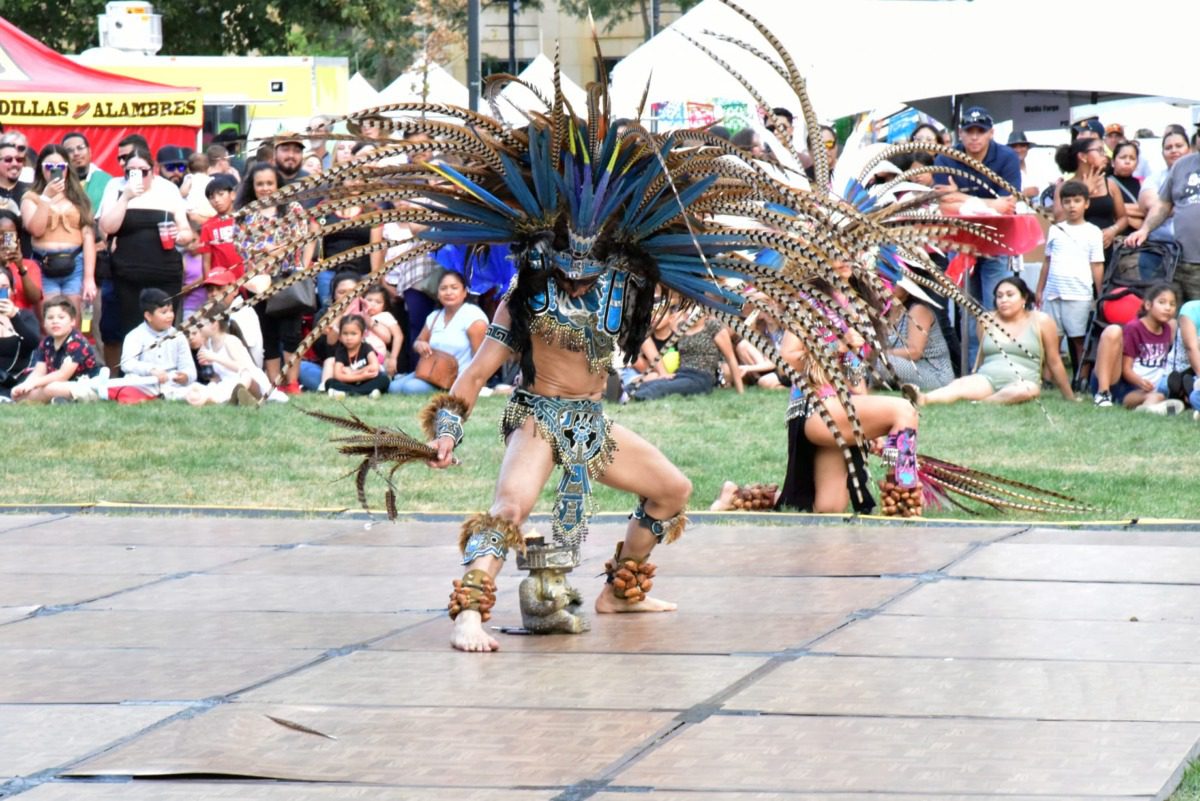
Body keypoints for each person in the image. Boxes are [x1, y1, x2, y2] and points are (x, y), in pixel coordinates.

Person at [931, 106, 1021, 365]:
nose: (974, 137)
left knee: (999, 303)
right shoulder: (946, 156)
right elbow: (944, 202)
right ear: (960, 133)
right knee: (968, 310)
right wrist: (990, 203)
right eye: (969, 131)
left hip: (995, 237)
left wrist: (961, 197)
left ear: (991, 133)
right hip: (960, 242)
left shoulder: (1006, 157)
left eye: (980, 131)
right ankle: (972, 370)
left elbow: (1010, 204)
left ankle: (1000, 366)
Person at [915, 276, 1075, 405]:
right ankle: (923, 398)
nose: (1003, 300)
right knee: (960, 385)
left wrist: (1069, 397)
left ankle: (984, 402)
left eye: (1010, 295)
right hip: (988, 378)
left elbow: (1054, 361)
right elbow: (982, 355)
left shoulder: (1041, 321)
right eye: (999, 296)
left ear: (1024, 298)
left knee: (1028, 390)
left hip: (1022, 382)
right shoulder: (986, 319)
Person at [98, 145, 193, 339]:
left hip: (164, 270)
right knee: (130, 329)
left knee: (164, 326)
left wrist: (179, 235)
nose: (137, 176)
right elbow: (108, 228)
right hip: (128, 272)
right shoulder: (116, 187)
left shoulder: (168, 189)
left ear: (153, 170)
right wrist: (125, 197)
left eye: (143, 172)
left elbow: (186, 232)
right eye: (131, 172)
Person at [234, 162, 313, 393]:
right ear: (253, 186)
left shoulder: (293, 208)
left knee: (291, 334)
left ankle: (292, 383)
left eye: (270, 183)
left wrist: (270, 251)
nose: (266, 188)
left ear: (278, 184)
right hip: (258, 283)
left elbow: (298, 239)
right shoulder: (245, 214)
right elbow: (242, 247)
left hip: (288, 280)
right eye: (260, 184)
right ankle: (274, 385)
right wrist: (272, 253)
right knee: (267, 335)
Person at [19, 144, 97, 321]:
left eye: (60, 167)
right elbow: (36, 230)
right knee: (50, 321)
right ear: (41, 169)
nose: (55, 171)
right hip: (43, 263)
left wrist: (89, 278)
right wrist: (46, 197)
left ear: (68, 169)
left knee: (73, 322)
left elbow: (88, 238)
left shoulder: (79, 197)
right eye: (49, 167)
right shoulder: (31, 196)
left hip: (75, 263)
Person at [1036, 180, 1105, 372]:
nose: (1072, 206)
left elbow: (1097, 265)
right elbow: (1047, 261)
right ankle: (1049, 379)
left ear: (1086, 203)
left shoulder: (1093, 232)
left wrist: (1100, 295)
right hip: (1053, 293)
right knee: (1051, 339)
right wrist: (1040, 289)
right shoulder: (1055, 229)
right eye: (1067, 201)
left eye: (1076, 201)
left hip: (1079, 294)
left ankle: (1081, 377)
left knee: (1079, 340)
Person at [1125, 130, 1200, 301]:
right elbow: (1163, 204)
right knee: (1172, 318)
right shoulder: (1181, 166)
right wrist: (1144, 230)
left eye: (1178, 145)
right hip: (1178, 260)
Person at [389, 270, 487, 395]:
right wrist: (420, 345)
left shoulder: (474, 316)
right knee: (393, 387)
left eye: (454, 288)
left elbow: (481, 357)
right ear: (438, 294)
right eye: (443, 288)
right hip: (431, 371)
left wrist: (478, 385)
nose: (448, 292)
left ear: (464, 292)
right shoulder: (434, 316)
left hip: (457, 378)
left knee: (411, 388)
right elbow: (418, 341)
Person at [1090, 283, 1182, 413]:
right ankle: (1103, 395)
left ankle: (1145, 410)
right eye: (1162, 302)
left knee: (1158, 397)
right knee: (1113, 331)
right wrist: (1140, 382)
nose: (1168, 308)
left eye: (1172, 304)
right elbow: (1126, 370)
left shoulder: (1168, 328)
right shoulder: (1135, 328)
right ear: (1148, 305)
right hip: (1120, 384)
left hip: (1141, 391)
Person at [626, 311, 744, 400]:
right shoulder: (682, 327)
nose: (690, 312)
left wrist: (740, 392)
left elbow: (731, 359)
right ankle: (625, 394)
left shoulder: (713, 327)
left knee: (659, 388)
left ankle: (632, 397)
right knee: (642, 384)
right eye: (690, 308)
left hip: (702, 378)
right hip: (681, 374)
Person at [10, 295, 103, 403]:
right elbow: (38, 372)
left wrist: (33, 384)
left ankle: (27, 399)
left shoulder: (77, 342)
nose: (55, 321)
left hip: (86, 386)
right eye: (50, 318)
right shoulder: (46, 342)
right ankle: (58, 400)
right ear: (44, 323)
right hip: (59, 385)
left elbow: (62, 375)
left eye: (61, 317)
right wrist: (25, 386)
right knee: (23, 390)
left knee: (51, 387)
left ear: (72, 321)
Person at [112, 287, 196, 402]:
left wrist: (185, 376)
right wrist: (151, 370)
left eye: (171, 311)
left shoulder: (179, 337)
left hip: (172, 385)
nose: (170, 316)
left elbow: (189, 369)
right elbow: (127, 364)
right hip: (144, 384)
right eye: (164, 312)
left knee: (197, 391)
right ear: (148, 316)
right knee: (129, 383)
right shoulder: (134, 336)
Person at [1053, 138, 1127, 265]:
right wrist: (1085, 192)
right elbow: (1059, 220)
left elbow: (1123, 218)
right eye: (1099, 150)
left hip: (1105, 249)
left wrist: (1112, 230)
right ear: (1083, 156)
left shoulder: (1110, 185)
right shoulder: (1064, 187)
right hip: (1076, 251)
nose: (1104, 156)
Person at [185, 302, 271, 407]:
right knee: (198, 389)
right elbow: (220, 375)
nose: (198, 327)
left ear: (214, 324)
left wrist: (215, 358)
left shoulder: (230, 341)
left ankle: (238, 396)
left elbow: (242, 367)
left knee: (245, 377)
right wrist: (212, 382)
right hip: (227, 383)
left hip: (250, 382)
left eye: (201, 323)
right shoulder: (210, 344)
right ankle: (213, 398)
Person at [879, 276, 953, 391]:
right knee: (855, 358)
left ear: (908, 289)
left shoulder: (918, 310)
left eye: (894, 282)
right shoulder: (883, 311)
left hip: (934, 374)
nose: (888, 286)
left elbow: (915, 352)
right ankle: (857, 388)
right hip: (907, 368)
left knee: (882, 362)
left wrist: (881, 354)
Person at [0, 264, 41, 400]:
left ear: (12, 291)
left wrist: (14, 317)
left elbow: (33, 343)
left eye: (4, 288)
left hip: (19, 378)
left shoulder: (24, 316)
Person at [325, 314, 389, 398]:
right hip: (348, 382)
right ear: (340, 336)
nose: (349, 338)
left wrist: (353, 373)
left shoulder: (366, 347)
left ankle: (349, 393)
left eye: (353, 334)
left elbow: (374, 367)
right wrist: (361, 375)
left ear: (362, 335)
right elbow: (338, 375)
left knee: (384, 380)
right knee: (329, 383)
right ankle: (364, 393)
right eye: (345, 333)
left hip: (366, 381)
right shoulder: (340, 351)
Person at [197, 174, 242, 281]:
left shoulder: (245, 219)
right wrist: (209, 285)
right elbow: (206, 261)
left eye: (221, 194)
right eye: (211, 197)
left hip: (247, 279)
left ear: (232, 195)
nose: (216, 200)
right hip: (222, 283)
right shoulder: (207, 227)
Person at [0, 211, 41, 311]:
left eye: (8, 235)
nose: (2, 238)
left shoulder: (29, 265)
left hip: (22, 321)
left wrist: (21, 268)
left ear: (17, 238)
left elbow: (34, 299)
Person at [61, 132, 112, 213]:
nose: (76, 153)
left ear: (89, 151)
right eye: (70, 151)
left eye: (80, 148)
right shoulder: (59, 183)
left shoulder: (107, 181)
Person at [363, 283, 404, 377]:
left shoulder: (385, 316)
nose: (372, 304)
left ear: (384, 306)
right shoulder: (358, 315)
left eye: (378, 302)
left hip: (379, 356)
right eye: (369, 300)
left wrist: (393, 358)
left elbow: (398, 335)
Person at [1111, 141, 1145, 232]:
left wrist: (1119, 213)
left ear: (1137, 163)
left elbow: (1150, 210)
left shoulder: (1142, 184)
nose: (1127, 161)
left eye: (1132, 158)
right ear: (1113, 162)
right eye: (1123, 157)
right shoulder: (1106, 183)